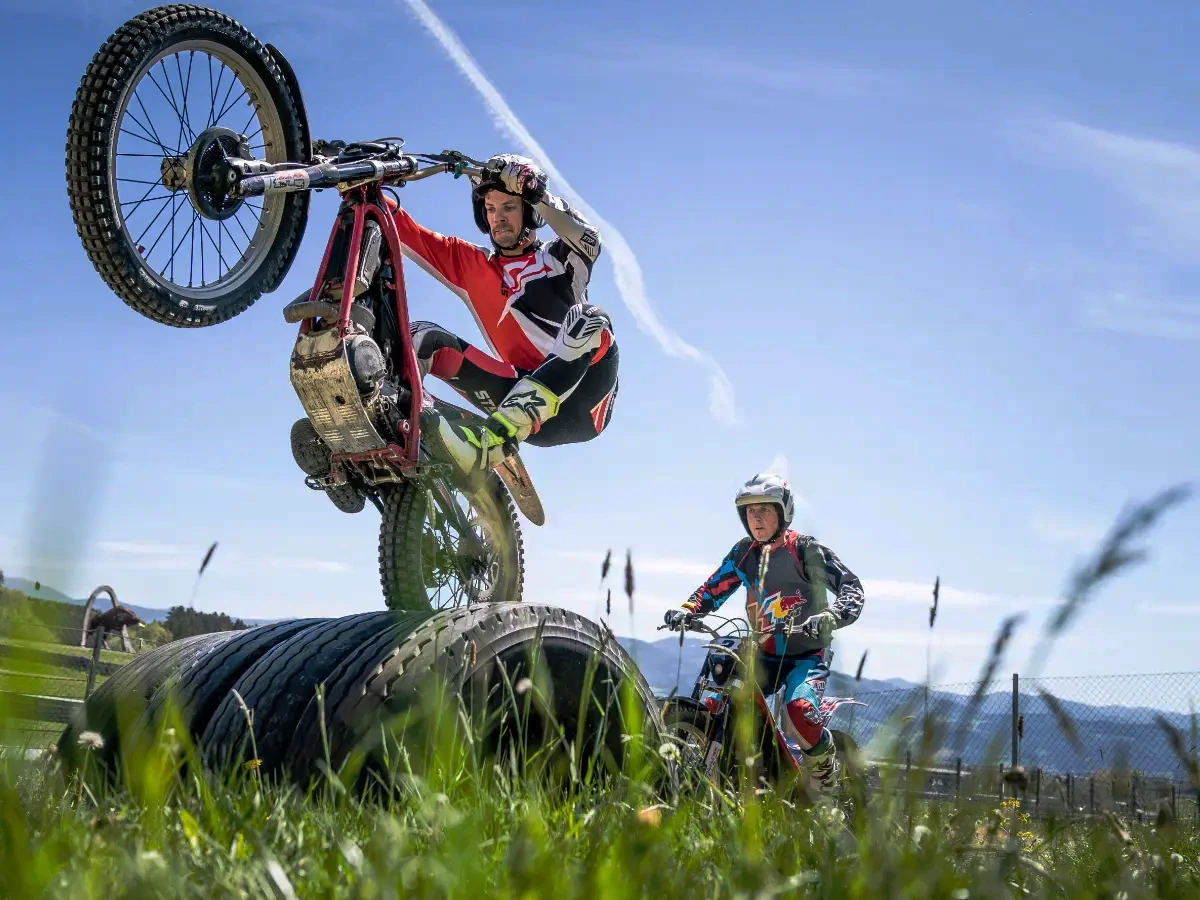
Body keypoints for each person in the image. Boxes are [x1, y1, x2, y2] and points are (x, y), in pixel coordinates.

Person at [382, 152, 619, 480]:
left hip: (585, 398)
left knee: (591, 319)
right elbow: (405, 229)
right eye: (490, 209)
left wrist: (535, 192)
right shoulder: (471, 264)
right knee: (419, 336)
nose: (498, 218)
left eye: (509, 207)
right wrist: (360, 185)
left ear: (530, 212)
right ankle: (395, 427)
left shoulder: (560, 256)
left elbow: (589, 237)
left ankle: (487, 445)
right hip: (524, 404)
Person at [674, 473, 866, 791]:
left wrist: (832, 615)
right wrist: (688, 609)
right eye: (750, 511)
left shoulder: (805, 549)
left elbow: (851, 587)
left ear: (783, 512)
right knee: (723, 691)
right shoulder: (744, 553)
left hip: (806, 656)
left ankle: (825, 773)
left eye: (764, 509)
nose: (756, 517)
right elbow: (713, 588)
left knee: (800, 711)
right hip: (763, 652)